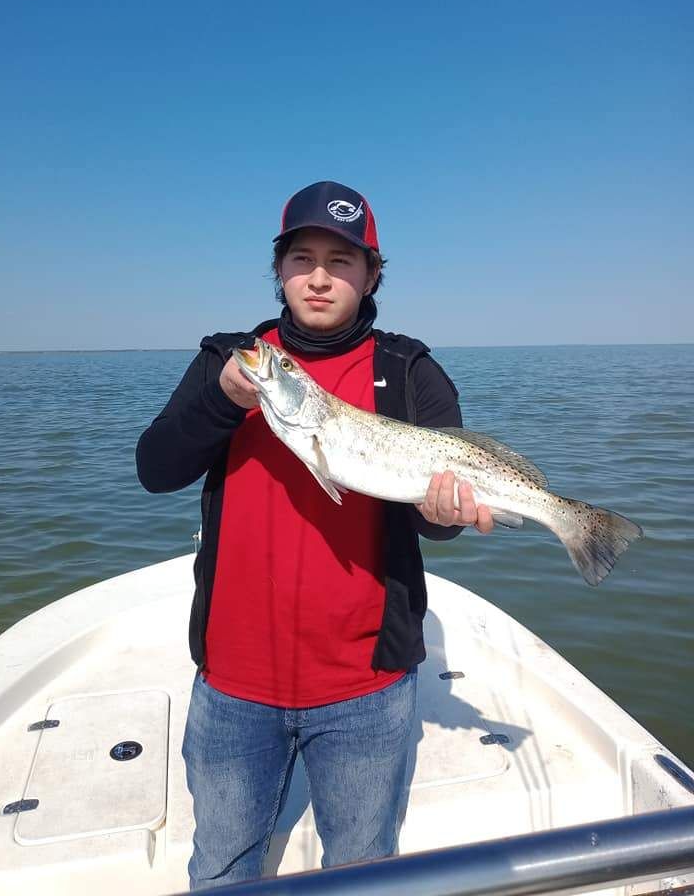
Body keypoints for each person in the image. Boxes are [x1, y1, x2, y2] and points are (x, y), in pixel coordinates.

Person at [135, 180, 493, 889]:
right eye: (302, 258)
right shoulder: (228, 362)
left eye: (343, 260)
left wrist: (445, 512)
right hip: (235, 683)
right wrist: (224, 399)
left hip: (367, 685)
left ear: (372, 275)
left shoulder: (410, 370)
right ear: (278, 270)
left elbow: (434, 521)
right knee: (221, 868)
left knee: (362, 872)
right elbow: (156, 467)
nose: (320, 276)